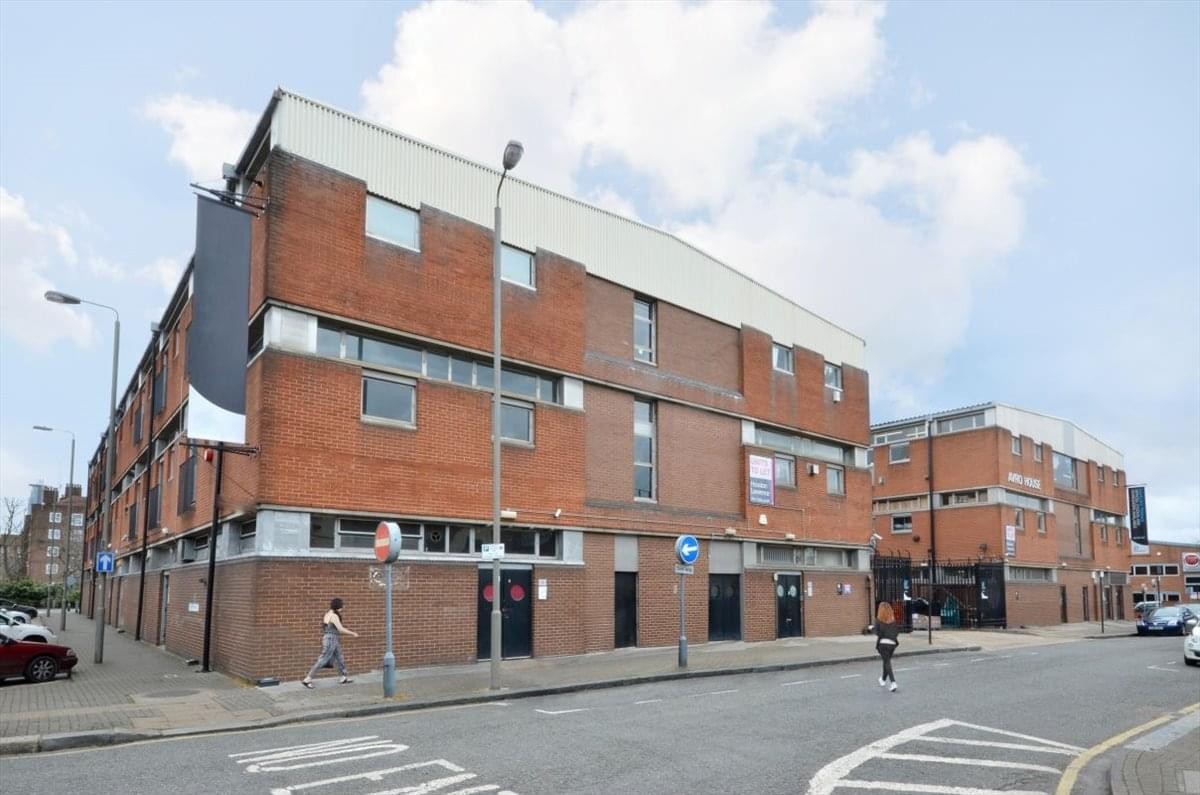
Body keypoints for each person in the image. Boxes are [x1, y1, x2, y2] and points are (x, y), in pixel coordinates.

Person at [302, 597, 359, 688]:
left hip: (331, 638)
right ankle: (308, 679)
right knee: (323, 659)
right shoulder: (334, 616)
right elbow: (340, 629)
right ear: (338, 606)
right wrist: (353, 633)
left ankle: (343, 677)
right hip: (331, 639)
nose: (343, 607)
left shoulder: (328, 613)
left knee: (339, 657)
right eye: (342, 605)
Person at [872, 601, 900, 692]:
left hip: (883, 645)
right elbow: (896, 633)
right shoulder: (893, 621)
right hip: (892, 645)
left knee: (887, 662)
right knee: (886, 661)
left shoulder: (879, 620)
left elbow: (877, 632)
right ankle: (883, 680)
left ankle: (893, 683)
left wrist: (871, 628)